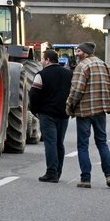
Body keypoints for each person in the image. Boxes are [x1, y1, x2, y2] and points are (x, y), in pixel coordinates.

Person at [66, 42, 110, 188]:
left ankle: (85, 179)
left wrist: (69, 106)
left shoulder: (82, 66)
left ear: (85, 52)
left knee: (83, 145)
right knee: (102, 142)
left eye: (79, 51)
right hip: (101, 110)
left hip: (84, 111)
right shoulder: (104, 65)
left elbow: (76, 90)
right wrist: (109, 102)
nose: (76, 54)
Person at [29, 49, 73, 183]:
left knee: (50, 143)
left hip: (47, 114)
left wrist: (35, 110)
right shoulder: (69, 74)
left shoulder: (41, 74)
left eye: (43, 59)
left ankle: (51, 172)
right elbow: (74, 92)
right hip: (63, 114)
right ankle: (58, 172)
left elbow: (33, 94)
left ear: (47, 60)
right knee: (59, 143)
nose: (42, 61)